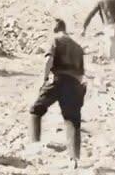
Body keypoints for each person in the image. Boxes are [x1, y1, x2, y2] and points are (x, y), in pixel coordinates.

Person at [29, 18, 86, 169]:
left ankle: (34, 146)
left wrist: (45, 79)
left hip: (58, 80)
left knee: (36, 110)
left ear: (55, 28)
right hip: (74, 84)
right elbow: (81, 75)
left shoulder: (55, 40)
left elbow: (49, 61)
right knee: (72, 121)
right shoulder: (78, 47)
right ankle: (74, 159)